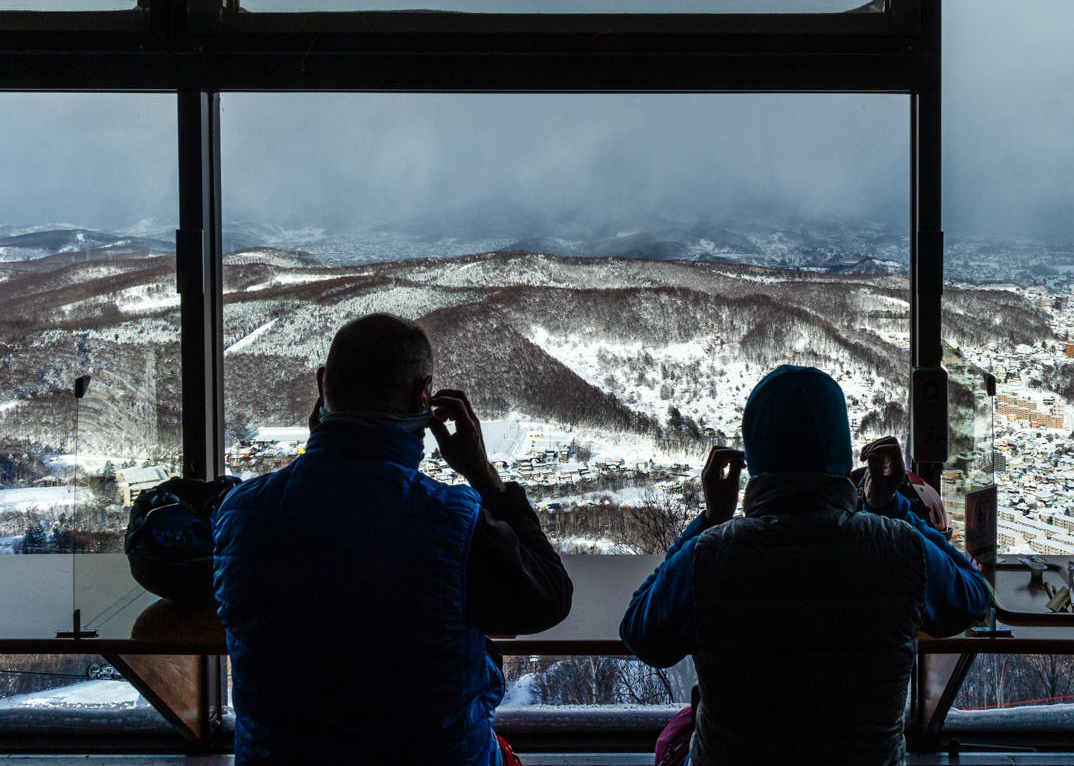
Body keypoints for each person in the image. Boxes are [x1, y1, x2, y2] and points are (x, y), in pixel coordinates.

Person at [213, 313, 573, 765]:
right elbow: (550, 598)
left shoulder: (239, 515)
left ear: (323, 385)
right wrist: (484, 476)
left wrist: (327, 442)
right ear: (424, 396)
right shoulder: (454, 524)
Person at [619, 364, 992, 766]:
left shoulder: (708, 557)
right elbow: (974, 597)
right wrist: (892, 508)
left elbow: (640, 634)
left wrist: (710, 521)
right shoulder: (899, 548)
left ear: (754, 459)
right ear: (842, 451)